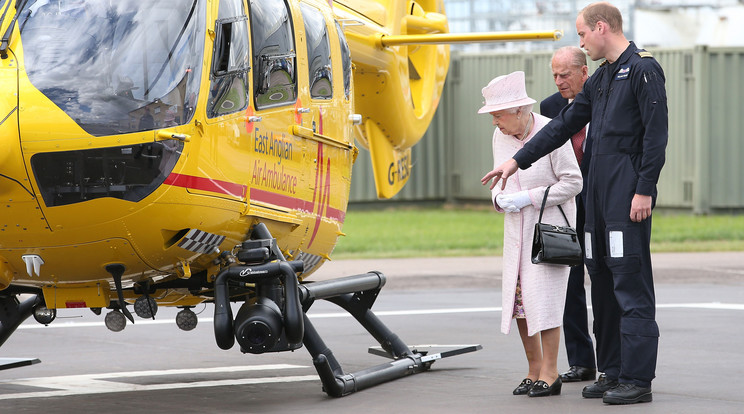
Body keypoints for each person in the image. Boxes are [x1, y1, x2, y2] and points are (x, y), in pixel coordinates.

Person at [481, 2, 667, 405]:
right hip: (596, 201)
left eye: (582, 34)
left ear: (601, 28)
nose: (580, 41)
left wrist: (644, 189)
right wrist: (516, 161)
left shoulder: (642, 69)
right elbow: (561, 127)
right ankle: (612, 371)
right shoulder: (600, 81)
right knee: (600, 283)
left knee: (629, 285)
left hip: (625, 197)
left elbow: (656, 135)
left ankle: (637, 378)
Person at [477, 71, 582, 398]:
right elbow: (500, 180)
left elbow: (573, 182)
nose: (495, 122)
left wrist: (529, 197)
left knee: (546, 302)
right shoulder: (501, 137)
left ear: (520, 110)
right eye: (492, 116)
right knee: (520, 302)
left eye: (498, 115)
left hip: (550, 231)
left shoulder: (553, 131)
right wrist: (499, 199)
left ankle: (551, 374)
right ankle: (533, 369)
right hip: (517, 234)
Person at [540, 46, 597, 384]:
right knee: (570, 284)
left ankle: (612, 362)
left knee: (604, 283)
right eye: (555, 76)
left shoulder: (603, 103)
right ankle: (581, 361)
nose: (559, 82)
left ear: (583, 73)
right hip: (566, 207)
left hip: (602, 202)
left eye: (565, 75)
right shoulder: (549, 107)